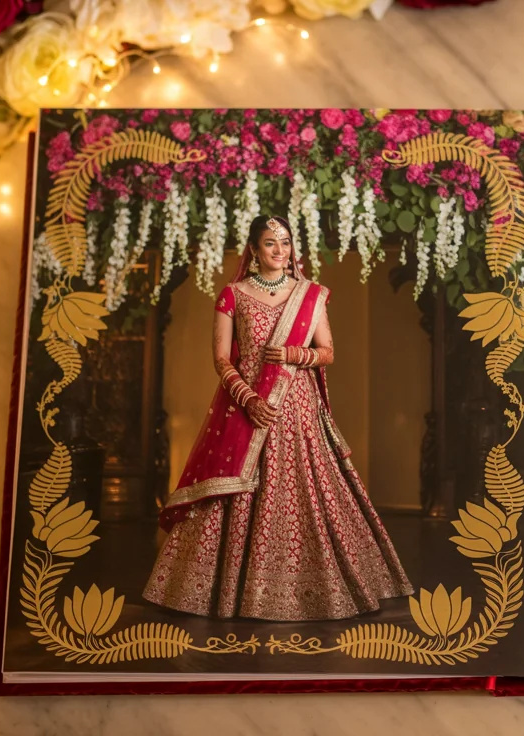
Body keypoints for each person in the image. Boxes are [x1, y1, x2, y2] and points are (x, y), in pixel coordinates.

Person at [144, 215, 413, 621]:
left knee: (304, 489)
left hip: (298, 408)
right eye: (270, 243)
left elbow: (327, 352)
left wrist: (291, 355)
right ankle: (229, 591)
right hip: (247, 407)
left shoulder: (311, 295)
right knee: (239, 490)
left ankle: (316, 586)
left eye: (285, 243)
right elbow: (221, 358)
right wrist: (248, 398)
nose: (280, 251)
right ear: (254, 250)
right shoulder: (232, 294)